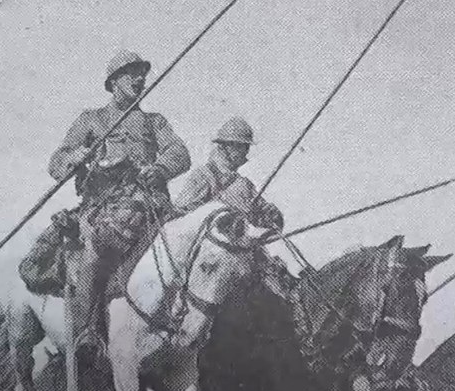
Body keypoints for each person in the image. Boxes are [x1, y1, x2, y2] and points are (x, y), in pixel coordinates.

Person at [45, 48, 191, 351]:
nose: (139, 79)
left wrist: (160, 169)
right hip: (105, 209)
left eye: (142, 74)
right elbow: (56, 163)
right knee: (97, 250)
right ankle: (86, 331)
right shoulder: (92, 119)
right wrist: (75, 157)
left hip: (153, 208)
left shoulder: (154, 122)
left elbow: (180, 153)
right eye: (130, 74)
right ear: (113, 82)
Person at [171, 116, 284, 231]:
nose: (245, 151)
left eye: (246, 147)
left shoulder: (245, 185)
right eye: (239, 146)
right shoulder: (203, 176)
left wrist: (270, 215)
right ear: (223, 147)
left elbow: (262, 217)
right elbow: (179, 219)